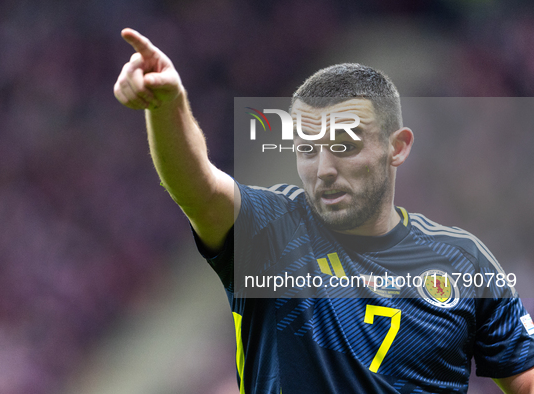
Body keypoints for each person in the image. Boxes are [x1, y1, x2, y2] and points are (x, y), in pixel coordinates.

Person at [113, 28, 534, 394]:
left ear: (397, 147)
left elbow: (524, 378)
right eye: (307, 150)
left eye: (344, 146)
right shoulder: (272, 231)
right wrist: (166, 106)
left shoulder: (463, 261)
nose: (324, 170)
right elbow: (199, 188)